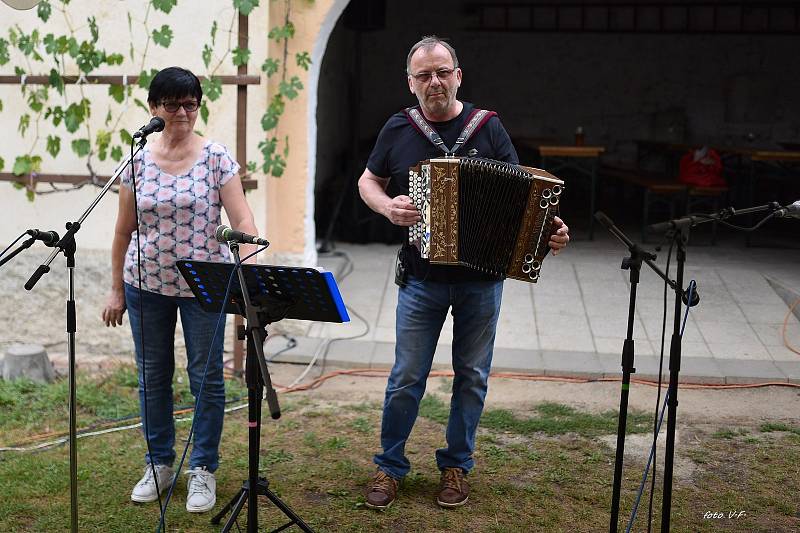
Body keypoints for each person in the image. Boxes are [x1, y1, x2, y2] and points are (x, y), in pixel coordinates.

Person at [358, 36, 570, 510]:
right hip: (420, 277)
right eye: (423, 75)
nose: (434, 81)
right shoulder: (398, 128)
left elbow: (524, 199)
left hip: (481, 279)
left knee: (471, 375)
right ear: (411, 83)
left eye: (442, 71)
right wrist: (387, 206)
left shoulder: (487, 128)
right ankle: (389, 466)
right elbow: (368, 180)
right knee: (406, 376)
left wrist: (549, 233)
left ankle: (456, 465)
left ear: (457, 75)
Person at [101, 66, 259, 514]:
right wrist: (115, 290)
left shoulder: (215, 157)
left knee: (206, 379)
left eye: (191, 103)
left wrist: (250, 255)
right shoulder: (136, 159)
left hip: (203, 287)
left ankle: (202, 469)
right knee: (152, 377)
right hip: (144, 284)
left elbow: (241, 217)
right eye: (172, 104)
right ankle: (159, 464)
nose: (183, 112)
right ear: (154, 108)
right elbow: (122, 232)